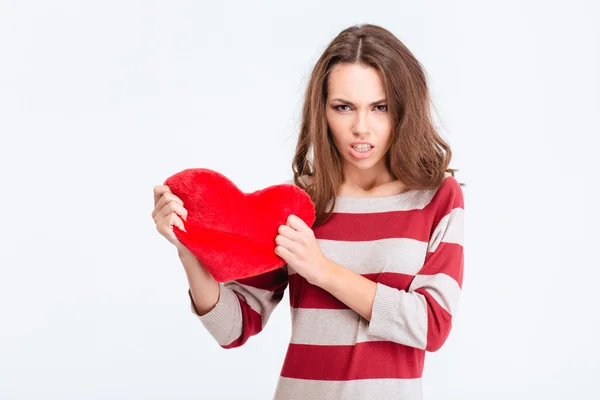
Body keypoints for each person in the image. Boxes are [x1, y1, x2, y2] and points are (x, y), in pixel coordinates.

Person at [152, 23, 464, 400]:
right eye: (343, 107)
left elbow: (431, 325)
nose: (361, 127)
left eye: (380, 107)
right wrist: (189, 247)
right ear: (323, 111)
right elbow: (232, 328)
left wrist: (323, 271)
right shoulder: (299, 205)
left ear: (404, 108)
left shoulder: (435, 198)